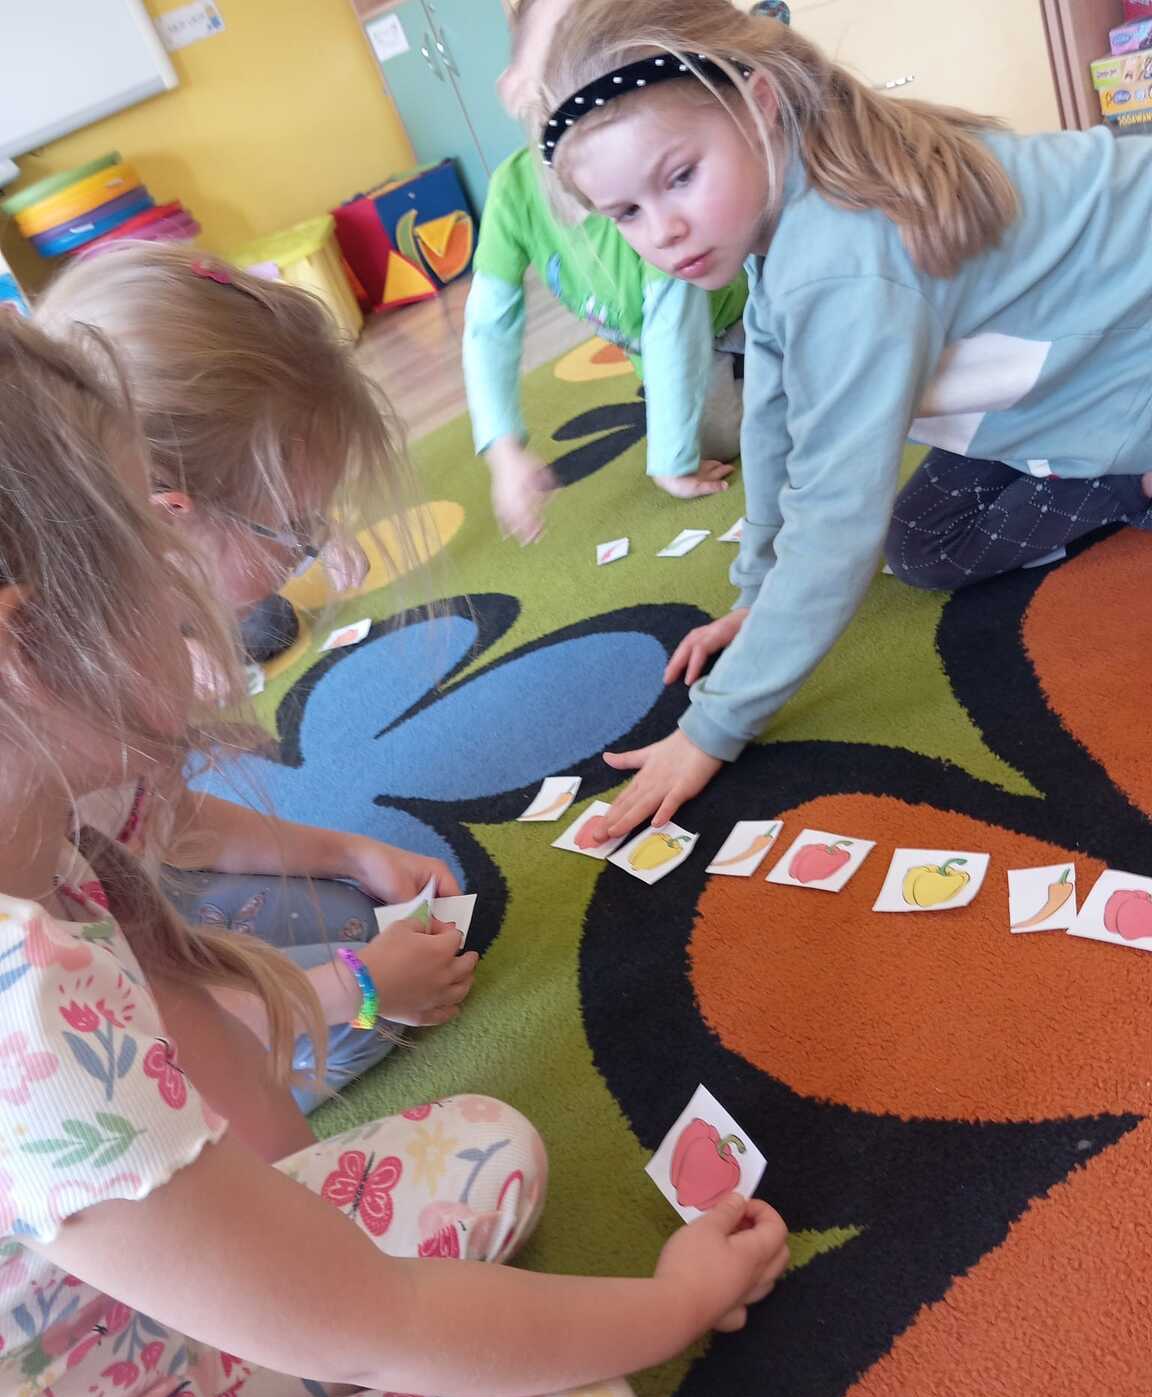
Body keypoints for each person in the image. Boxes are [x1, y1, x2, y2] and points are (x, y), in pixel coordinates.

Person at [0, 309, 790, 1397]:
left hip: (139, 1320)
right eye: (151, 560)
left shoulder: (43, 814)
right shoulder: (29, 1002)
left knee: (490, 1145)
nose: (203, 611)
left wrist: (286, 1245)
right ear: (23, 643)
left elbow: (223, 1080)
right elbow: (376, 1318)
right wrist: (675, 1303)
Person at [537, 0, 1152, 842]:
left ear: (760, 104)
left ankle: (1133, 473)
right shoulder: (788, 200)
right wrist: (757, 595)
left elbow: (834, 521)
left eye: (679, 178)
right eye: (626, 214)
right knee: (921, 546)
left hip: (1127, 355)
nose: (664, 231)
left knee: (878, 540)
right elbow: (774, 414)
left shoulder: (841, 258)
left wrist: (712, 727)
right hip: (1074, 369)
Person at [36, 243, 477, 1110]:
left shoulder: (108, 648)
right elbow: (115, 1028)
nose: (307, 551)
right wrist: (357, 989)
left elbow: (158, 817)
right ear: (169, 515)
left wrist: (349, 851)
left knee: (354, 921)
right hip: (63, 1067)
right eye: (297, 526)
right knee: (367, 1020)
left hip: (103, 908)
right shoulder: (58, 733)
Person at [463, 0, 748, 544]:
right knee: (709, 434)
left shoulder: (637, 163)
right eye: (556, 54)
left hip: (732, 312)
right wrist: (503, 451)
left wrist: (671, 460)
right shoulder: (513, 192)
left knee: (737, 431)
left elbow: (674, 318)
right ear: (513, 86)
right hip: (667, 348)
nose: (576, 73)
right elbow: (487, 326)